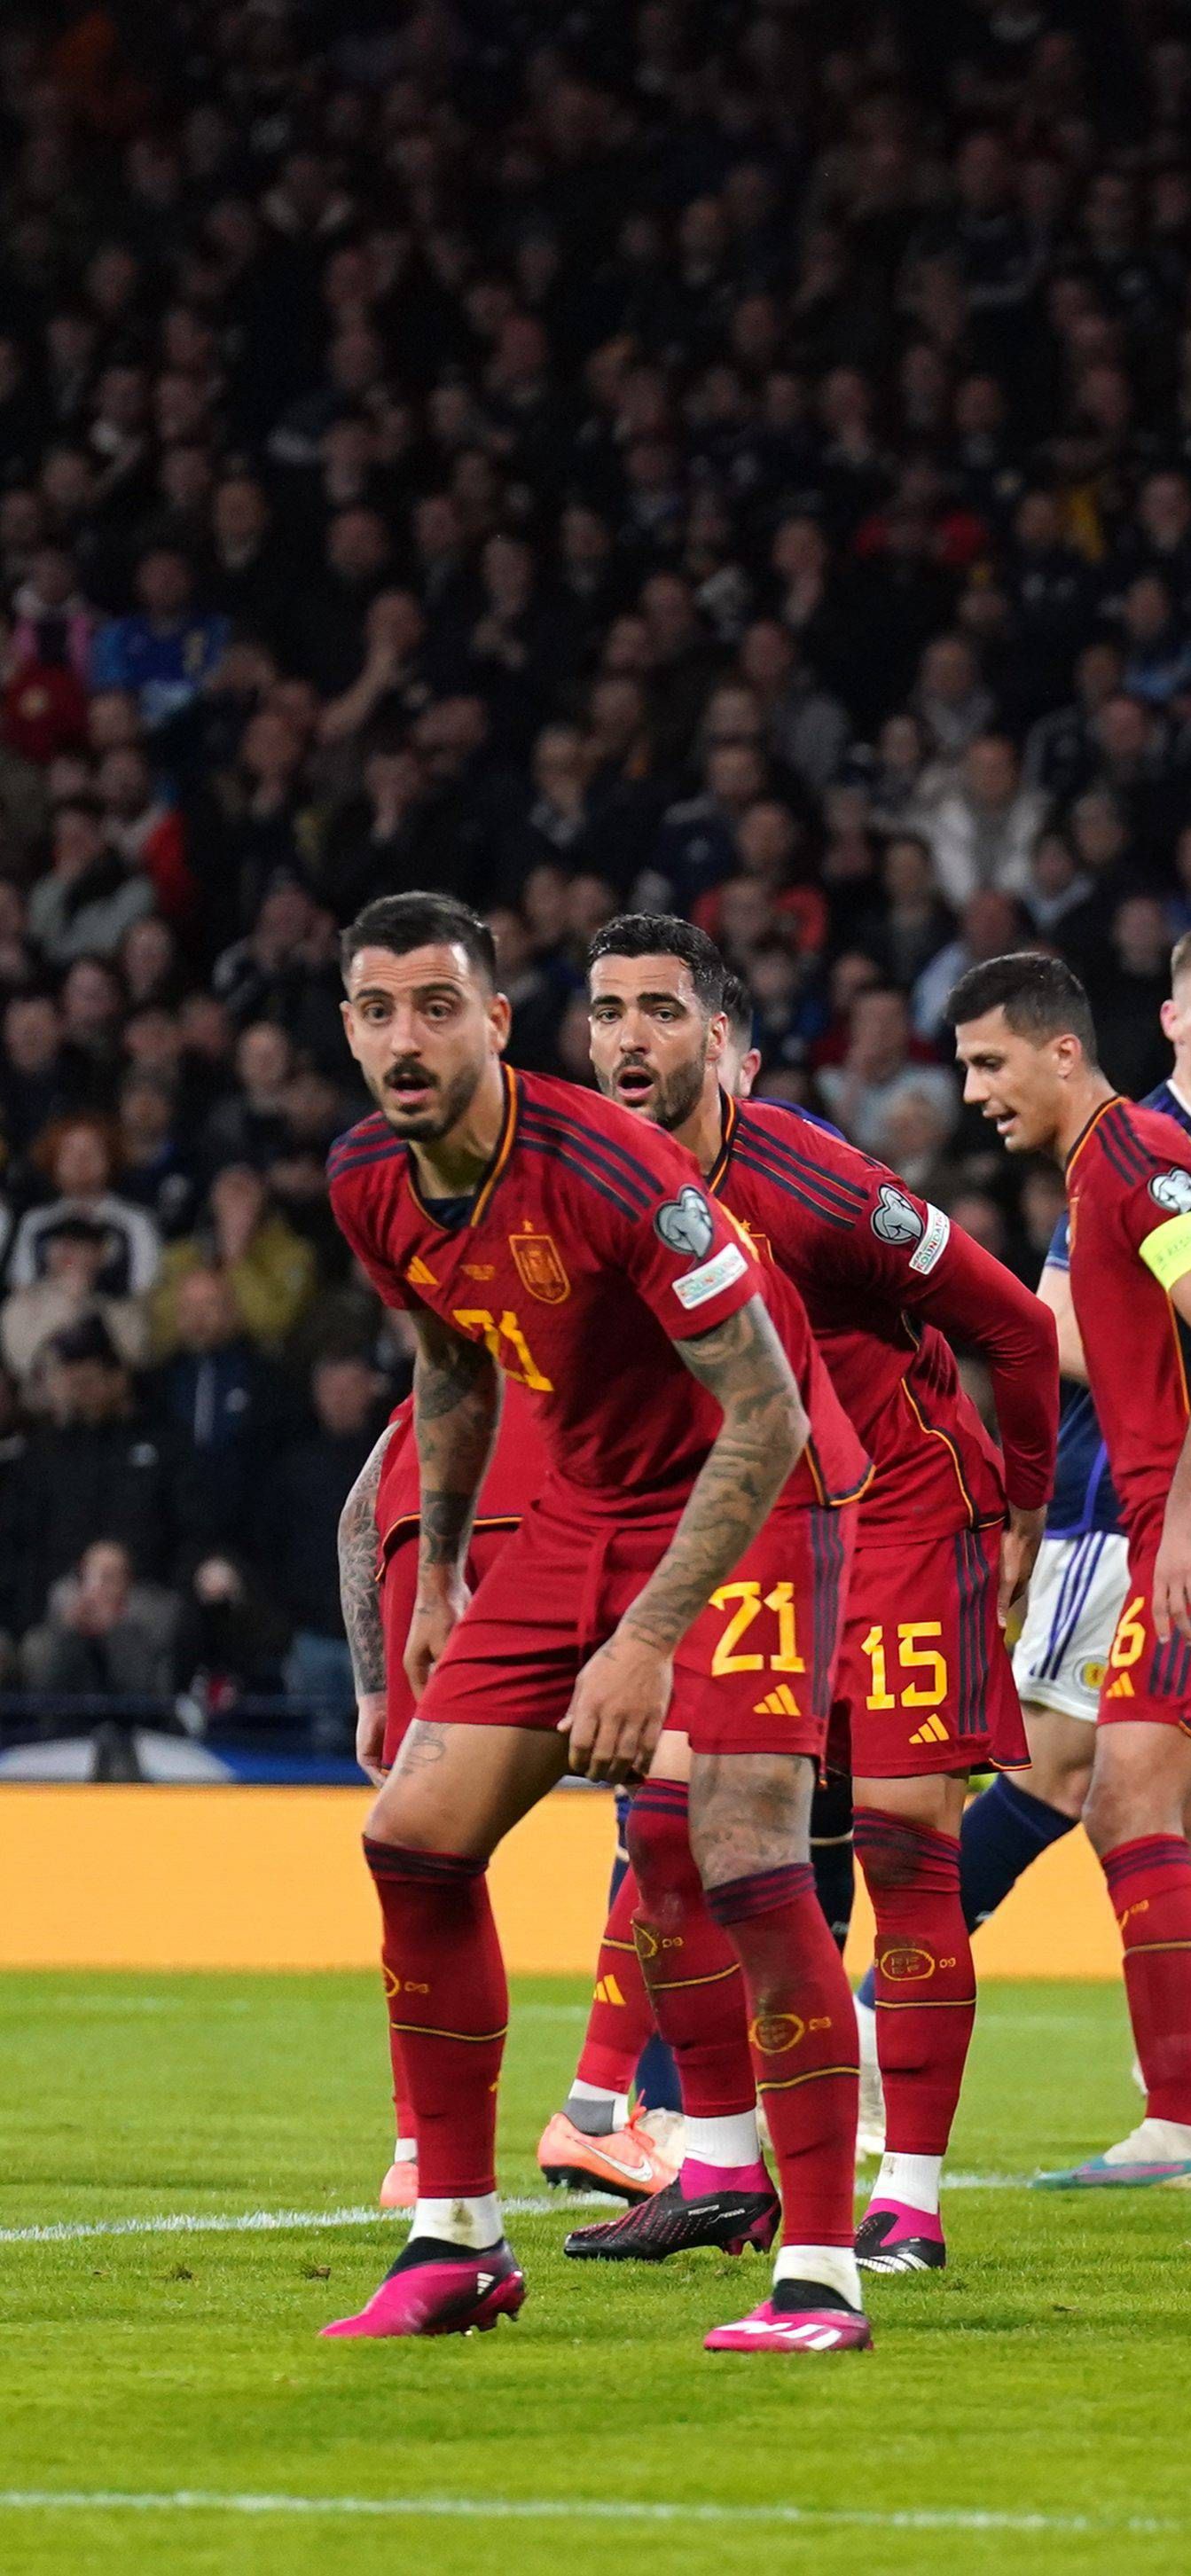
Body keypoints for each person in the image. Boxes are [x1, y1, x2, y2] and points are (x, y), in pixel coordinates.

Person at [320, 890, 874, 2353]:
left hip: (759, 1484)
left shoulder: (612, 1170)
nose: (406, 1037)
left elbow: (760, 1410)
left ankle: (820, 2272)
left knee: (749, 1857)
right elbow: (450, 1364)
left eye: (438, 1006)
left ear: (498, 1024)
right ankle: (457, 2245)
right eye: (376, 1010)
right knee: (413, 1838)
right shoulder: (370, 1179)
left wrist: (643, 1644)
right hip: (581, 1501)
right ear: (348, 1031)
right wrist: (439, 1573)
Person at [576, 920, 1057, 2274]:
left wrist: (1022, 1506)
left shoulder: (820, 1186)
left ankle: (906, 2195)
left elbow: (1012, 1326)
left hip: (905, 1514)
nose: (628, 1038)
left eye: (660, 1011)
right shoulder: (590, 1182)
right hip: (753, 1524)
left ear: (721, 1041)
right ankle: (720, 2168)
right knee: (666, 1840)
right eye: (607, 1010)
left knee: (905, 1853)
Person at [947, 946, 1191, 2191]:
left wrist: (1180, 1518)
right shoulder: (1126, 1165)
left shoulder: (1135, 1162)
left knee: (1124, 1799)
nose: (974, 1093)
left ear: (1059, 1051)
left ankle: (1178, 2126)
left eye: (988, 1063)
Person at [339, 1377, 672, 2214]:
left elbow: (356, 1513)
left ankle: (418, 2152)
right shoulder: (627, 1283)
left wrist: (374, 1688)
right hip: (572, 1509)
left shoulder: (448, 1337)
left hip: (423, 1537)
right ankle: (597, 2106)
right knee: (687, 1802)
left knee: (424, 1859)